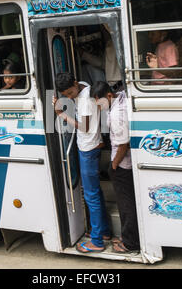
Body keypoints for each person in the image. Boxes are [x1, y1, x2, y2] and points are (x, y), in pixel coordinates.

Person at [53, 72, 111, 253]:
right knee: (96, 193)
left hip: (87, 149)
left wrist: (61, 114)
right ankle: (104, 231)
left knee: (91, 196)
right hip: (91, 146)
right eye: (67, 95)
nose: (70, 97)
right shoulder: (84, 87)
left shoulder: (85, 101)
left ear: (76, 83)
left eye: (70, 93)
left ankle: (97, 242)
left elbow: (84, 127)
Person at [90, 81, 140, 253]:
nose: (100, 107)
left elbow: (122, 145)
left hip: (123, 166)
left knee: (126, 205)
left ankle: (130, 243)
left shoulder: (116, 115)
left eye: (101, 103)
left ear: (109, 96)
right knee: (129, 203)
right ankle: (128, 237)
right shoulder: (121, 97)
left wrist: (113, 165)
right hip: (127, 163)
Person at [79, 25, 123, 90]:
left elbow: (102, 64)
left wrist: (84, 55)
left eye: (103, 29)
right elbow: (104, 64)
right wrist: (84, 55)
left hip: (121, 86)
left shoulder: (113, 44)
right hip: (115, 87)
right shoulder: (110, 44)